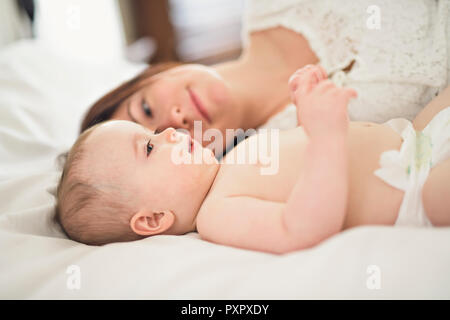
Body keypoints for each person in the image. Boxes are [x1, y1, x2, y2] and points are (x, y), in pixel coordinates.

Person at [55, 65, 450, 254]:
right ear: (153, 219)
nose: (171, 131)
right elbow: (302, 229)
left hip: (414, 137)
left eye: (152, 130)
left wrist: (308, 114)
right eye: (150, 147)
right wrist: (326, 138)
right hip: (413, 191)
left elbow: (297, 166)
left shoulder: (230, 162)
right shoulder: (218, 216)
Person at [80, 0, 449, 157]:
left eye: (145, 109)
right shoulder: (297, 149)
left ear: (151, 75)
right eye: (160, 142)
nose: (173, 121)